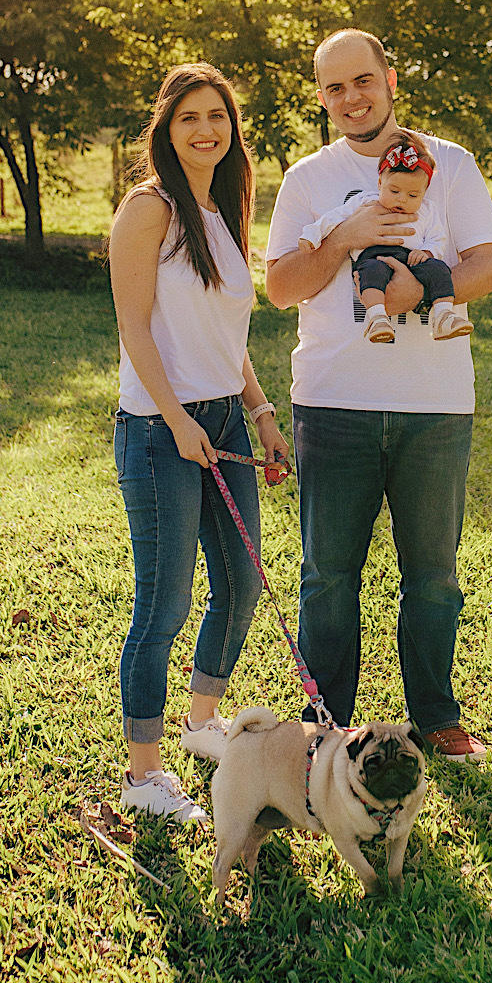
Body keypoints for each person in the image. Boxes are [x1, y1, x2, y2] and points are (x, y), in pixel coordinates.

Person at [265, 30, 492, 761]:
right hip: (333, 402)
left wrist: (410, 296)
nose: (351, 98)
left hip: (435, 405)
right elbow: (278, 288)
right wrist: (345, 238)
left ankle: (435, 715)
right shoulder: (309, 177)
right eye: (334, 88)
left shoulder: (450, 164)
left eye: (363, 81)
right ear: (320, 96)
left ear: (391, 79)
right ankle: (325, 726)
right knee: (327, 575)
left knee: (432, 574)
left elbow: (488, 265)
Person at [109, 63, 288, 823]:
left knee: (243, 585)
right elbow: (135, 326)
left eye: (217, 115)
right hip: (159, 429)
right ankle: (144, 774)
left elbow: (224, 330)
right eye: (189, 118)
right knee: (165, 601)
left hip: (219, 419)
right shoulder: (149, 208)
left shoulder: (223, 206)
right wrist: (177, 420)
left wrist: (259, 410)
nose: (205, 129)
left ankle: (200, 722)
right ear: (166, 128)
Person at [298, 130, 473, 344]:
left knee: (439, 269)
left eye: (412, 195)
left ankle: (444, 316)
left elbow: (437, 238)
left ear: (424, 191)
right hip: (374, 256)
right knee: (371, 274)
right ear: (380, 183)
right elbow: (334, 218)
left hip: (412, 259)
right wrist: (312, 235)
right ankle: (377, 318)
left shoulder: (427, 210)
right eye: (394, 191)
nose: (402, 200)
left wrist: (426, 252)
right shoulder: (365, 202)